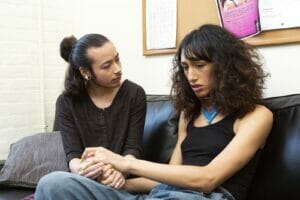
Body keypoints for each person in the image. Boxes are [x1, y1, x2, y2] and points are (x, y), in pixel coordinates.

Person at [35, 24, 273, 200]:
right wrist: (114, 184)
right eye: (185, 67)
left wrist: (125, 165)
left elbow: (207, 179)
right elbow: (170, 175)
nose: (191, 76)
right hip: (163, 195)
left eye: (200, 66)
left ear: (224, 66)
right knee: (53, 184)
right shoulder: (189, 115)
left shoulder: (256, 116)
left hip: (203, 197)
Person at [38, 33, 147, 192]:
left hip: (123, 183)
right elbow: (73, 156)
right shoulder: (67, 102)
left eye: (117, 59)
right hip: (85, 182)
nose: (117, 69)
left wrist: (119, 171)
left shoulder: (134, 94)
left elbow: (132, 148)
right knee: (49, 183)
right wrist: (84, 170)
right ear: (85, 72)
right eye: (106, 65)